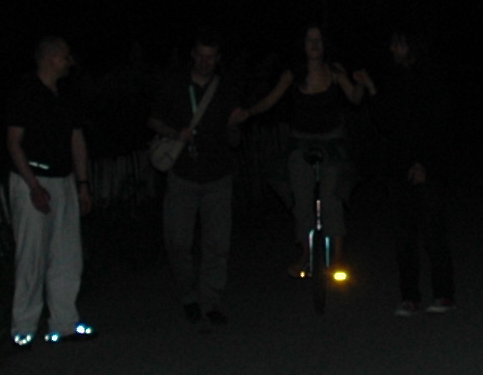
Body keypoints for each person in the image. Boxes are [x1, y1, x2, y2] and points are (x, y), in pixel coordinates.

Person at [241, 24, 372, 266]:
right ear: (302, 45)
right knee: (301, 196)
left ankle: (338, 256)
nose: (314, 44)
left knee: (332, 196)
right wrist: (248, 112)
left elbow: (354, 98)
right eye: (309, 40)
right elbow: (270, 100)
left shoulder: (334, 70)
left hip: (332, 140)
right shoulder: (293, 74)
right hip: (301, 141)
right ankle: (305, 252)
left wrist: (362, 83)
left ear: (325, 45)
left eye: (318, 40)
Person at [148, 33, 249, 326]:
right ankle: (188, 295)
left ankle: (211, 301)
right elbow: (153, 119)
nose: (205, 62)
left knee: (217, 245)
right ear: (193, 55)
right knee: (178, 242)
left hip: (218, 176)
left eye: (211, 57)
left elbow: (235, 139)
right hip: (183, 175)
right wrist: (175, 133)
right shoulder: (174, 84)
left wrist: (234, 125)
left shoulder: (226, 88)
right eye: (201, 56)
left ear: (218, 59)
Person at [2, 35, 95, 345]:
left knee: (67, 254)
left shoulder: (66, 94)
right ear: (50, 58)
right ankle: (23, 328)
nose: (69, 62)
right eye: (65, 56)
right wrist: (33, 186)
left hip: (63, 179)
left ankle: (64, 322)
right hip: (32, 179)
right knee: (31, 255)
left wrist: (82, 184)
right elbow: (14, 143)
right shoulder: (25, 92)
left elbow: (77, 139)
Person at [373, 28, 455, 314]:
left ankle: (444, 293)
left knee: (433, 232)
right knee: (404, 236)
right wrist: (372, 91)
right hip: (397, 166)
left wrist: (425, 163)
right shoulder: (391, 78)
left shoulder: (430, 77)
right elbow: (386, 123)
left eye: (399, 44)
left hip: (428, 166)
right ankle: (410, 296)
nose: (393, 49)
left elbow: (437, 124)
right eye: (392, 44)